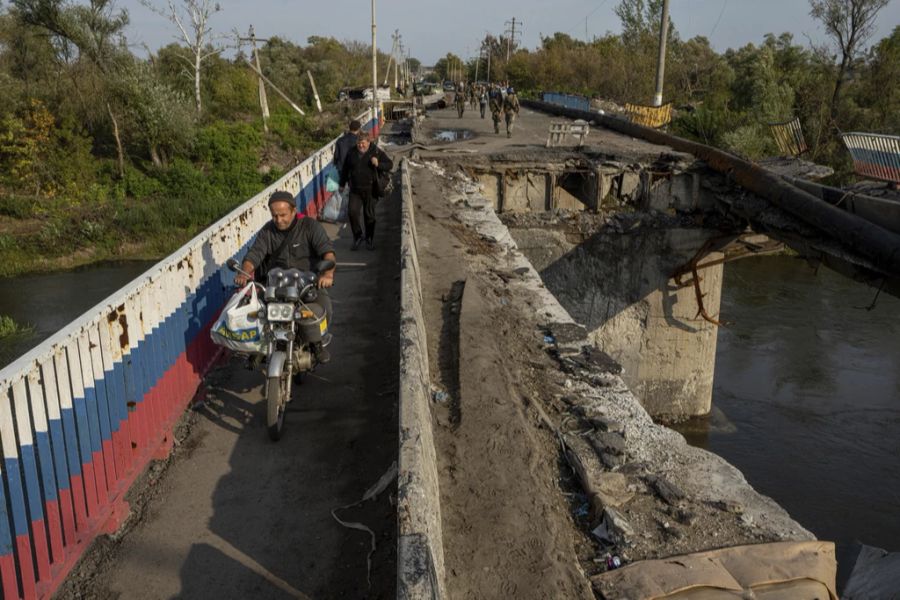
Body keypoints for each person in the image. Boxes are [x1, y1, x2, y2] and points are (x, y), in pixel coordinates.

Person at [235, 190, 336, 362]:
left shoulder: (310, 226)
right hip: (276, 286)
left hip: (307, 285)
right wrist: (244, 272)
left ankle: (316, 346)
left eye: (283, 215)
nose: (279, 220)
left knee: (321, 309)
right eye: (275, 216)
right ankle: (257, 350)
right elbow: (254, 255)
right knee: (253, 312)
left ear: (293, 210)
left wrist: (327, 274)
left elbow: (328, 253)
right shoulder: (268, 232)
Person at [340, 133, 394, 251]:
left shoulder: (376, 152)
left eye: (363, 143)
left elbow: (390, 164)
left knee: (369, 215)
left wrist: (378, 164)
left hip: (371, 190)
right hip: (355, 189)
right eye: (358, 143)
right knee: (352, 212)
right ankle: (358, 236)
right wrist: (342, 184)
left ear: (368, 142)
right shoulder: (351, 153)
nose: (360, 145)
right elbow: (345, 169)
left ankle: (369, 239)